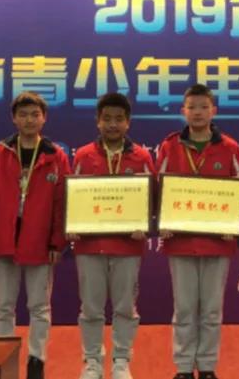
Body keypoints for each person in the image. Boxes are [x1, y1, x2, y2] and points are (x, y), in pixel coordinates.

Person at [156, 84, 239, 379]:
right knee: (184, 308)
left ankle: (207, 366)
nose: (197, 112)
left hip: (218, 242)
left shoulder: (230, 148)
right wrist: (163, 221)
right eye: (192, 107)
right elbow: (158, 188)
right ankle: (184, 367)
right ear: (183, 111)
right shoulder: (170, 146)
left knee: (211, 309)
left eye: (203, 107)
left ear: (213, 111)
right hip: (180, 241)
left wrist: (232, 223)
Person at [0, 91, 71, 379]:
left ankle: (36, 359)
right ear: (14, 119)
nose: (29, 120)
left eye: (35, 114)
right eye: (23, 115)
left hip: (39, 241)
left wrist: (57, 242)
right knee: (3, 306)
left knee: (39, 306)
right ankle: (2, 359)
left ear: (44, 118)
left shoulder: (56, 156)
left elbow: (62, 202)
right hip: (4, 239)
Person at [70, 93, 156, 379]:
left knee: (125, 307)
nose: (112, 124)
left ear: (128, 122)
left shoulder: (142, 157)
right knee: (90, 308)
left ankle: (121, 360)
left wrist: (144, 224)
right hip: (89, 245)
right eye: (106, 118)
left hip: (128, 246)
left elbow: (153, 197)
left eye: (119, 119)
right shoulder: (83, 156)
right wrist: (73, 223)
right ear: (97, 121)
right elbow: (71, 198)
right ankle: (92, 361)